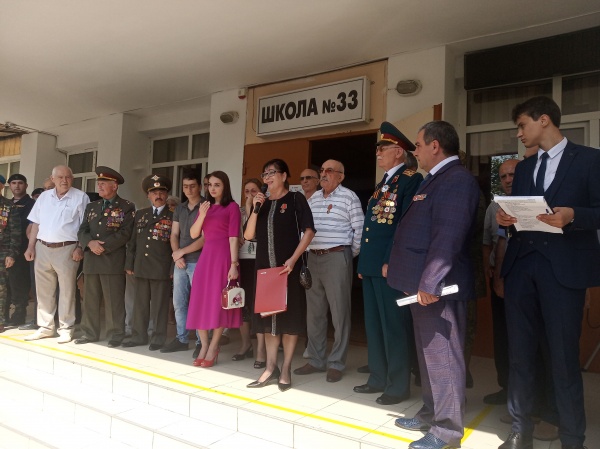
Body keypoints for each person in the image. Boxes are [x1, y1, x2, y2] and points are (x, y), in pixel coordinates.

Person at [496, 96, 600, 449]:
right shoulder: (525, 168)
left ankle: (572, 438)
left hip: (564, 270)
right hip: (522, 267)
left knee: (563, 358)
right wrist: (507, 219)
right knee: (520, 355)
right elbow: (522, 214)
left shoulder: (590, 159)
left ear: (544, 120)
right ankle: (520, 430)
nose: (519, 133)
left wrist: (574, 215)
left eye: (522, 125)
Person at [388, 121, 480, 449]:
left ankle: (447, 432)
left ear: (435, 146)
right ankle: (431, 413)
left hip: (438, 289)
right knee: (429, 355)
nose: (415, 151)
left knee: (443, 357)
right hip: (422, 288)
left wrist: (430, 281)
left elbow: (448, 236)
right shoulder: (436, 179)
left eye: (418, 145)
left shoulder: (457, 180)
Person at [353, 122, 422, 405]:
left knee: (394, 326)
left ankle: (398, 385)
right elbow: (372, 226)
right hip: (371, 265)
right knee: (374, 325)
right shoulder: (383, 183)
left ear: (398, 151)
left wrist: (388, 260)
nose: (378, 153)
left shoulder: (410, 180)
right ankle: (378, 378)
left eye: (383, 148)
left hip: (388, 265)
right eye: (378, 148)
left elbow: (404, 225)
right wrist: (364, 262)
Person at [244, 159, 315, 391]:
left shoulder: (295, 199)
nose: (267, 177)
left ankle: (285, 369)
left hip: (288, 269)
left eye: (272, 173)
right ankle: (270, 368)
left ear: (284, 176)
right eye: (264, 174)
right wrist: (255, 208)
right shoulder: (261, 203)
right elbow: (248, 235)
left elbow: (309, 231)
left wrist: (294, 259)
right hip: (265, 270)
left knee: (289, 320)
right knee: (268, 320)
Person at [294, 159, 364, 383]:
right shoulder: (313, 198)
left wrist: (346, 254)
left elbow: (360, 230)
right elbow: (304, 228)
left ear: (340, 176)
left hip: (337, 257)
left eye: (329, 171)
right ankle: (316, 359)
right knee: (314, 313)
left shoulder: (349, 197)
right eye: (322, 170)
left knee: (339, 312)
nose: (323, 174)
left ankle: (336, 363)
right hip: (313, 258)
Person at [24, 165, 90, 343]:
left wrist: (80, 247)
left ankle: (66, 328)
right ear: (52, 179)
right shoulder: (44, 197)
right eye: (60, 177)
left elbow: (84, 226)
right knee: (43, 291)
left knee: (67, 291)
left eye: (68, 177)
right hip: (42, 247)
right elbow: (36, 223)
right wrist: (31, 247)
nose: (64, 180)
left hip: (67, 249)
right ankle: (45, 327)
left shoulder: (80, 197)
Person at [186, 170, 242, 368]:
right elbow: (194, 234)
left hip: (223, 258)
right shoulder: (205, 207)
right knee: (200, 301)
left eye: (217, 185)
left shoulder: (232, 207)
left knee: (219, 304)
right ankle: (204, 345)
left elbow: (234, 238)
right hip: (206, 258)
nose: (212, 188)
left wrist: (234, 264)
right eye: (210, 185)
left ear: (225, 186)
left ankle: (213, 347)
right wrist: (202, 214)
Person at [75, 167, 135, 347]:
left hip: (112, 260)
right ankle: (89, 333)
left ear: (114, 186)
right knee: (90, 300)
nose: (99, 187)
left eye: (103, 184)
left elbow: (126, 233)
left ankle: (116, 334)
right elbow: (82, 230)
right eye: (98, 183)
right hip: (92, 260)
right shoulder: (92, 206)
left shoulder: (126, 206)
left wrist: (103, 246)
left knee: (113, 301)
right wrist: (89, 243)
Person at [123, 174, 174, 351]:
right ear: (148, 195)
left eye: (161, 192)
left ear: (166, 195)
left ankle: (158, 337)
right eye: (154, 192)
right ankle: (138, 336)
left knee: (159, 306)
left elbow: (176, 244)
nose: (158, 195)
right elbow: (132, 241)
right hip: (141, 265)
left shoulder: (173, 216)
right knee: (140, 304)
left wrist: (172, 268)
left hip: (161, 267)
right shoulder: (140, 214)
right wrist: (129, 263)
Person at [161, 170, 205, 355]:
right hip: (181, 262)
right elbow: (174, 235)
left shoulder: (206, 206)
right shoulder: (179, 208)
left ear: (200, 186)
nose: (189, 190)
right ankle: (182, 338)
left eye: (192, 186)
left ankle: (201, 342)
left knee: (199, 302)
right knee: (179, 302)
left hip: (200, 261)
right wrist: (177, 255)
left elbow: (205, 238)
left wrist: (181, 252)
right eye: (185, 186)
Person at [233, 178, 267, 367]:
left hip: (259, 261)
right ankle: (246, 344)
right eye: (246, 191)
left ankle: (261, 349)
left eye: (253, 191)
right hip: (242, 261)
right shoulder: (238, 212)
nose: (249, 195)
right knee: (241, 303)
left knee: (259, 305)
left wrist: (251, 207)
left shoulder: (264, 209)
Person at [6, 174, 35, 325]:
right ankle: (4, 314)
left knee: (19, 282)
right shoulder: (6, 203)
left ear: (26, 185)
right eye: (13, 183)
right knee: (5, 283)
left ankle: (19, 313)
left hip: (23, 248)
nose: (17, 186)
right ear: (9, 186)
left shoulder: (32, 204)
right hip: (6, 248)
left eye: (20, 183)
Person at [0, 184, 21, 333]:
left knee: (1, 288)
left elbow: (16, 232)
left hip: (2, 251)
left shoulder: (8, 207)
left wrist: (12, 254)